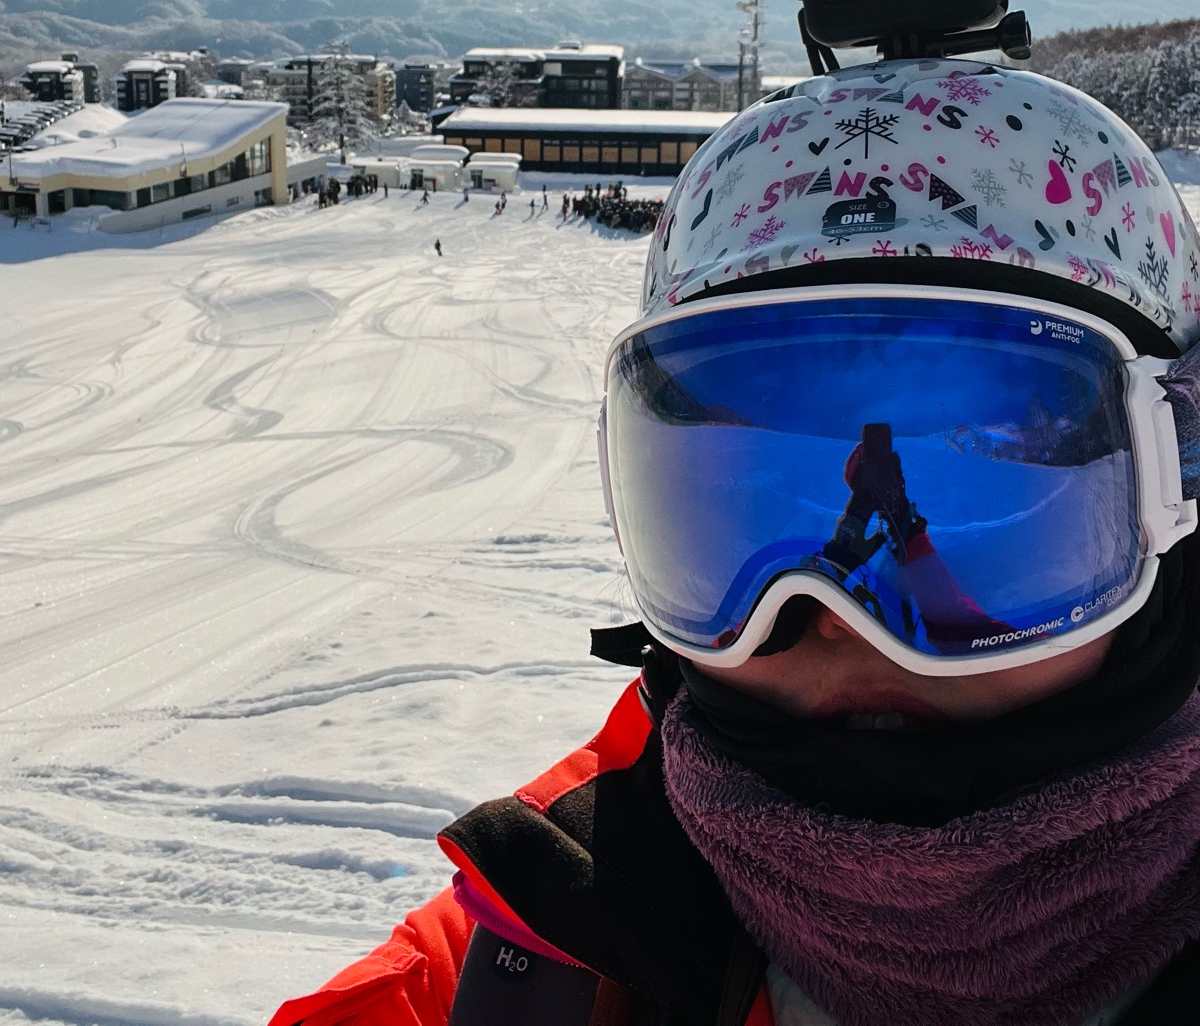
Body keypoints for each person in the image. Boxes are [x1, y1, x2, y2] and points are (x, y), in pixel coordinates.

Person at [270, 57, 1200, 1026]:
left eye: (997, 495)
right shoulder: (539, 943)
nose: (835, 627)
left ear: (1178, 491)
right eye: (738, 520)